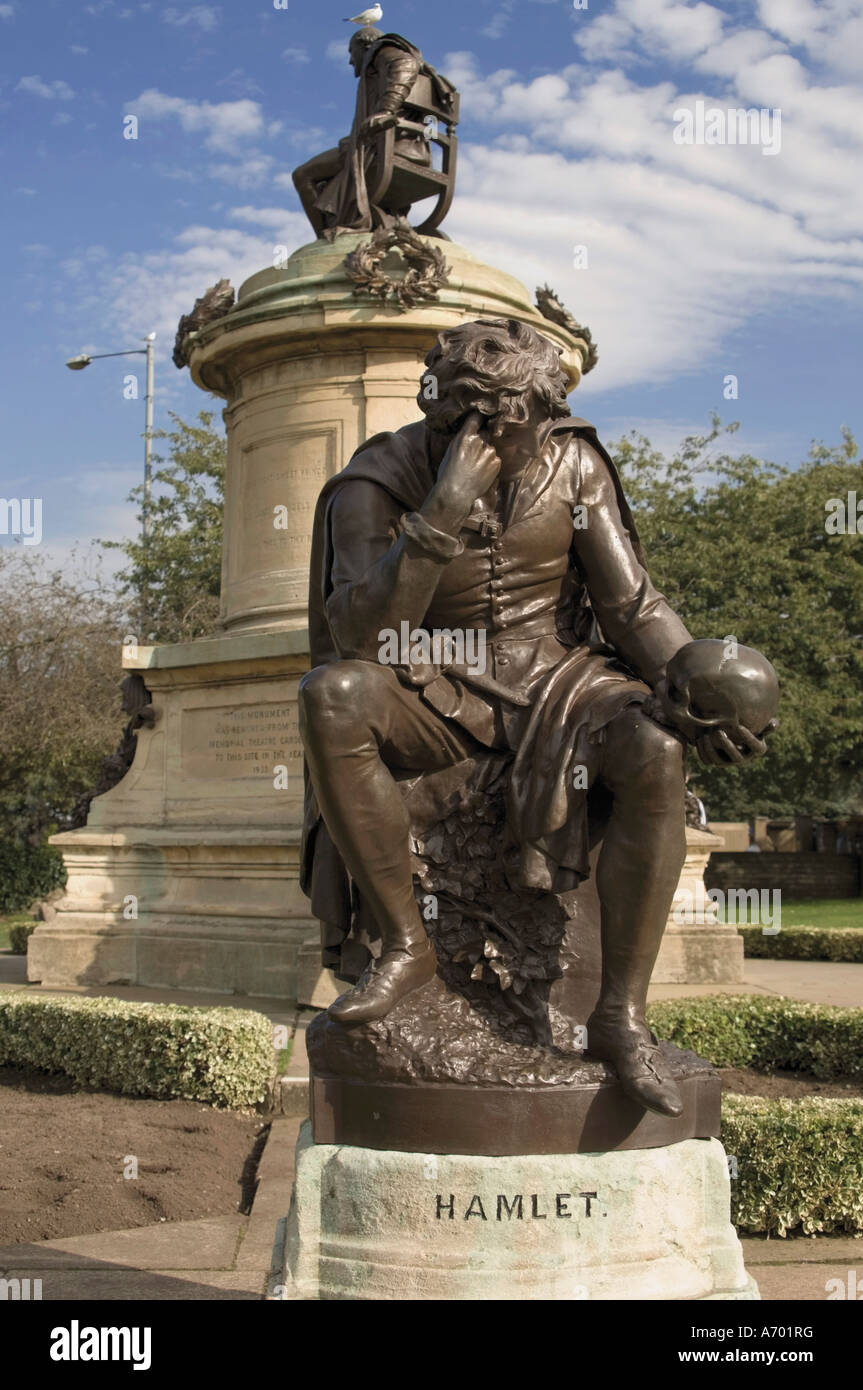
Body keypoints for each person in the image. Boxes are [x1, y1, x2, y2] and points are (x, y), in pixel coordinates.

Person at [299, 318, 770, 1115]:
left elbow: (630, 605)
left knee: (652, 748)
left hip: (559, 685)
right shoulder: (374, 480)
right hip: (430, 683)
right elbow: (363, 637)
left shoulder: (571, 463)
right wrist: (442, 510)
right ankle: (407, 947)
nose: (506, 438)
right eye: (472, 421)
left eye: (520, 422)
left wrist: (698, 693)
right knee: (331, 697)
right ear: (450, 416)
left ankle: (619, 1017)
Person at [292, 27, 455, 240]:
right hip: (413, 152)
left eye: (351, 52)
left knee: (303, 175)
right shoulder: (386, 60)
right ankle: (351, 219)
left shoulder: (382, 50)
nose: (351, 61)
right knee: (334, 164)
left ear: (364, 46)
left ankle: (324, 240)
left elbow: (406, 64)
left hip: (384, 150)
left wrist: (387, 110)